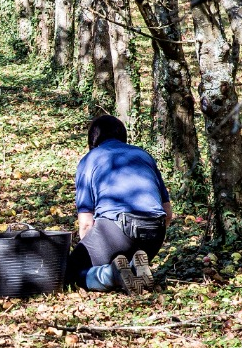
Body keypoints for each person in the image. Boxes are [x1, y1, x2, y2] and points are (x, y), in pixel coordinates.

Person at [68, 115, 171, 293]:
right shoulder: (143, 155)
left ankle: (110, 275)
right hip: (155, 232)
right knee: (125, 256)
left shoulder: (89, 159)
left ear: (93, 139)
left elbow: (86, 222)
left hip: (116, 230)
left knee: (71, 271)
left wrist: (89, 253)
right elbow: (167, 213)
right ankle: (132, 268)